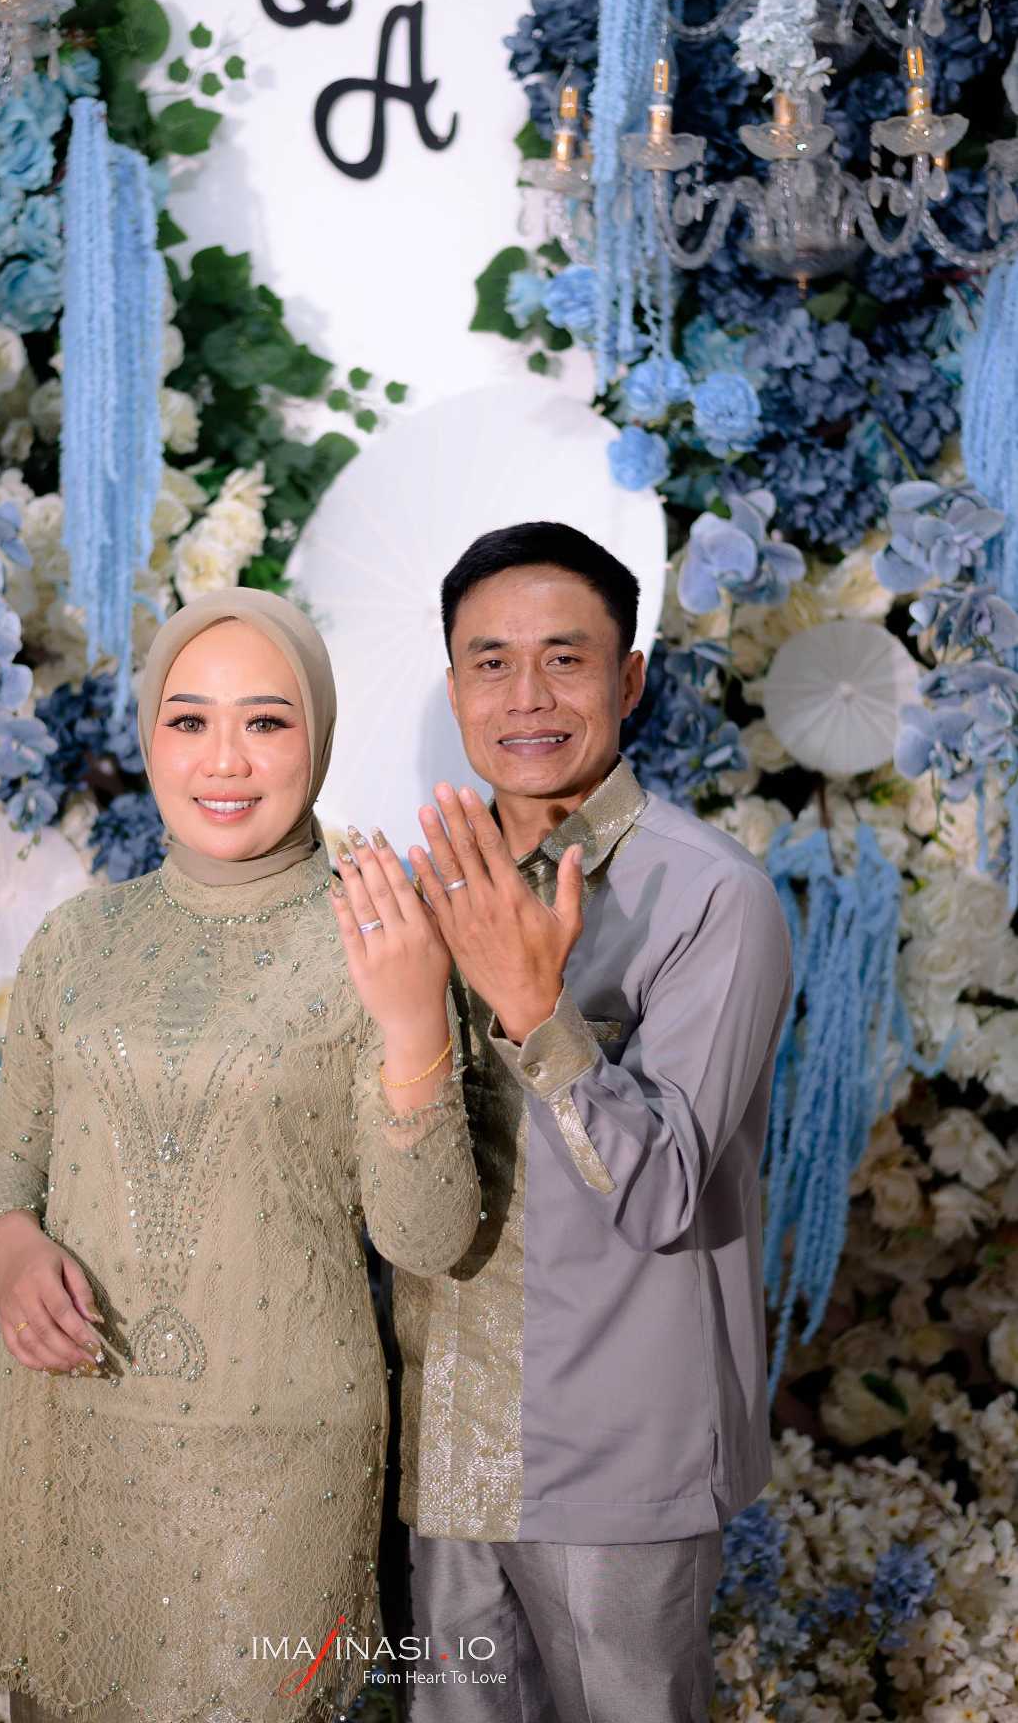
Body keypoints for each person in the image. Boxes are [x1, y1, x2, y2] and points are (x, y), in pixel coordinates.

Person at [0, 588, 482, 1723]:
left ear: (319, 738)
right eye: (189, 720)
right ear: (149, 737)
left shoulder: (376, 930)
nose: (225, 761)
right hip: (77, 1440)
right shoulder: (77, 941)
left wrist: (413, 1025)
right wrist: (10, 1247)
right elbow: (7, 1157)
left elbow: (429, 1235)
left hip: (283, 1460)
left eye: (267, 721)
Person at [391, 522, 794, 1723]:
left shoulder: (711, 896)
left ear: (628, 679)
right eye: (491, 662)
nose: (526, 696)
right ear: (454, 686)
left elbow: (665, 1188)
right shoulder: (428, 887)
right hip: (448, 1439)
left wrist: (535, 1007)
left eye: (565, 660)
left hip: (615, 1457)